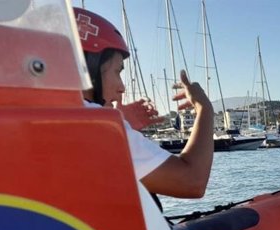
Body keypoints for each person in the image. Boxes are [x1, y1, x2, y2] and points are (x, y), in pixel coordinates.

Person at [74, 7, 214, 198]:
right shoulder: (94, 126)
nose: (122, 87)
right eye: (117, 71)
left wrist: (124, 125)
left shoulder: (42, 116)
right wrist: (204, 108)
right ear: (87, 68)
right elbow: (192, 181)